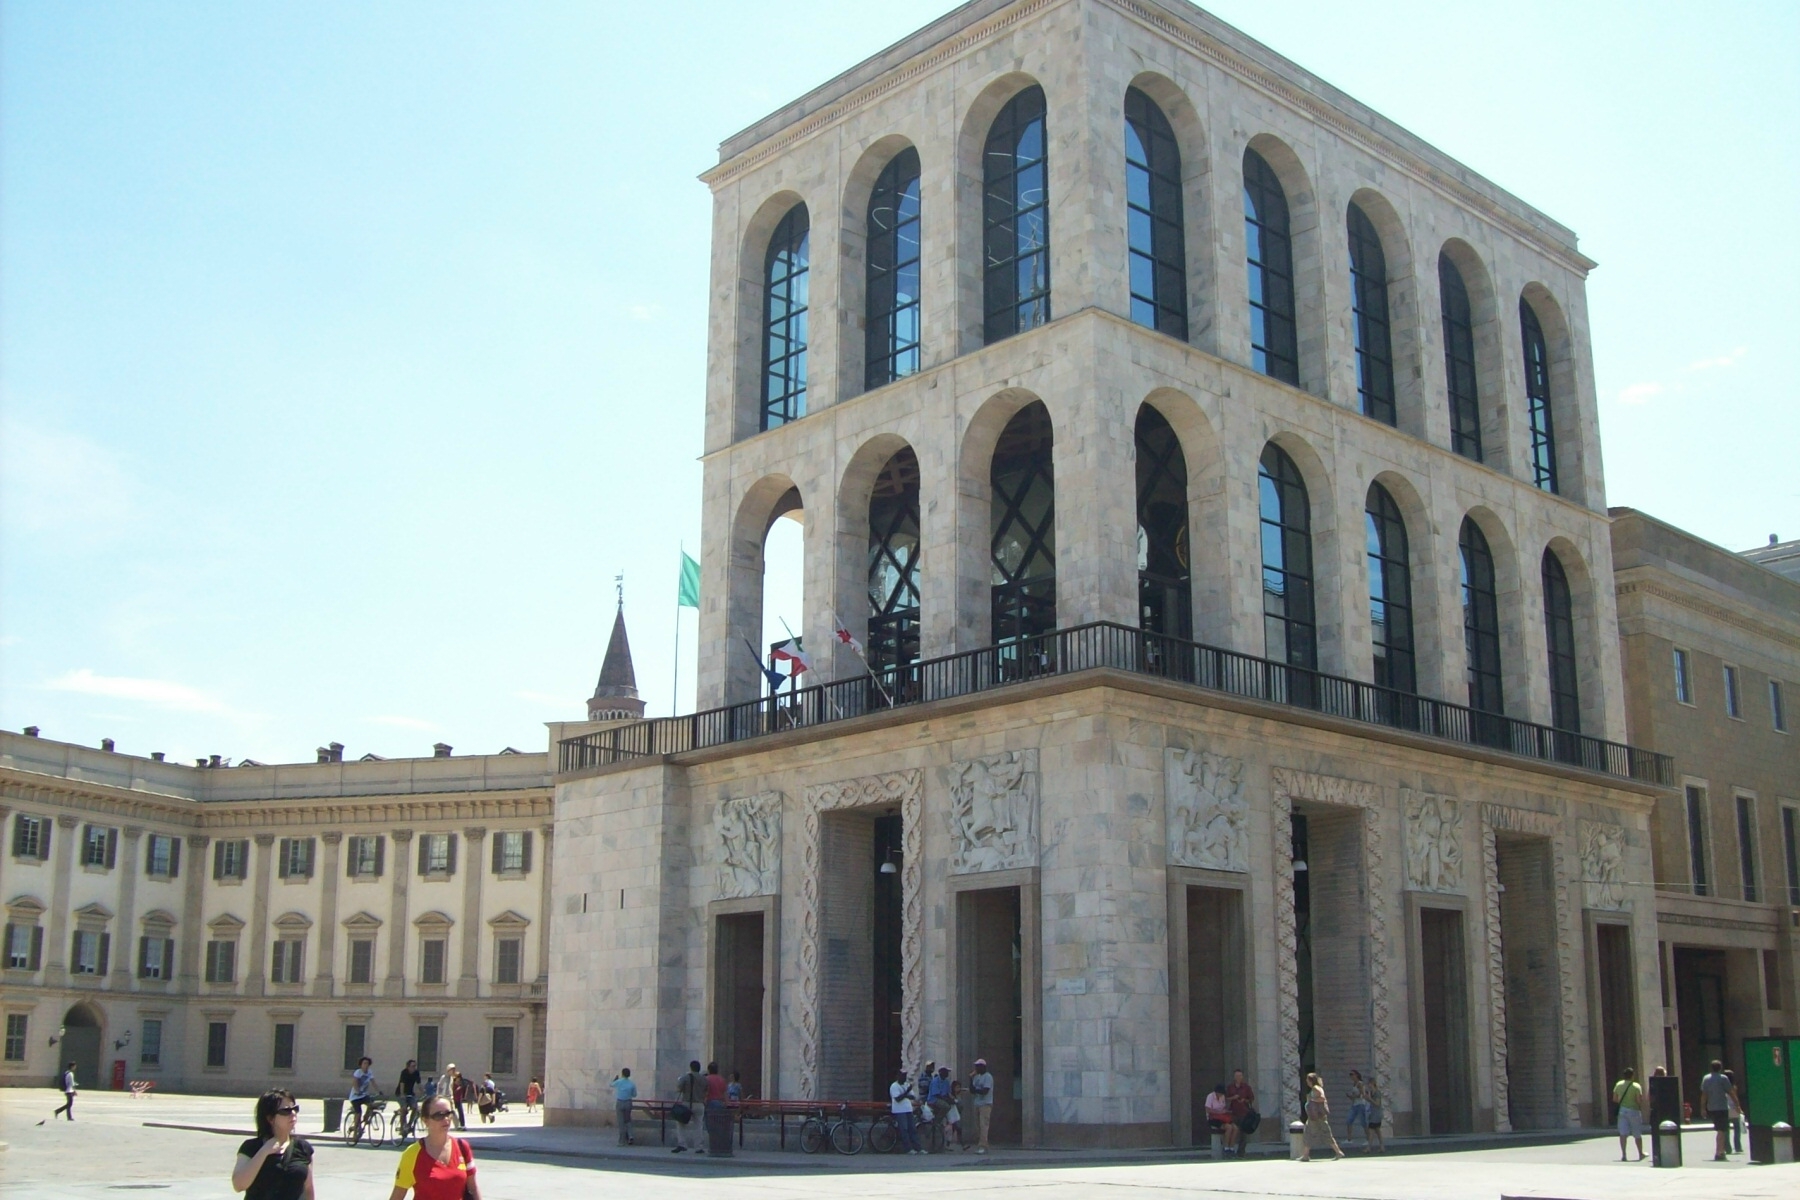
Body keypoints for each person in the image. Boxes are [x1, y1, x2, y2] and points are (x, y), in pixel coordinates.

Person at [390, 1094, 481, 1200]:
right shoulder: (412, 1154)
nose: (446, 1119)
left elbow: (473, 1189)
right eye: (439, 1115)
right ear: (425, 1121)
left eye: (449, 1114)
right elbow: (397, 1196)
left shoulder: (462, 1147)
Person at [232, 1089, 315, 1200]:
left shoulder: (303, 1148)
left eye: (295, 1109)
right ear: (270, 1118)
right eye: (286, 1111)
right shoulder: (251, 1147)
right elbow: (239, 1185)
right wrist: (264, 1151)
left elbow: (308, 1189)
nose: (293, 1114)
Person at [1300, 1072, 1343, 1162]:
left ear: (1311, 1080)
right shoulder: (1315, 1088)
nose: (1306, 1082)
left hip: (1318, 1116)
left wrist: (1312, 1100)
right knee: (1308, 1132)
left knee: (1325, 1133)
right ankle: (1305, 1155)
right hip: (1313, 1116)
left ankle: (1338, 1152)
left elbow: (1322, 1098)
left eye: (1307, 1080)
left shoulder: (1316, 1088)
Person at [1611, 1067, 1646, 1162]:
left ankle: (1624, 1154)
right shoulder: (1636, 1086)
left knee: (1623, 1133)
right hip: (1634, 1110)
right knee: (1637, 1133)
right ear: (1632, 1075)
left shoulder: (1618, 1085)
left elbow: (1614, 1099)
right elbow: (1639, 1100)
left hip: (1622, 1110)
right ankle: (1640, 1153)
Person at [1700, 1059, 1732, 1160]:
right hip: (1722, 1107)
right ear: (1720, 1068)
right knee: (1721, 1130)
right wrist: (1737, 1104)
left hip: (1711, 1107)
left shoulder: (1706, 1078)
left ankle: (1722, 1150)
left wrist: (1703, 1108)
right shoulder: (1723, 1078)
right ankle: (1720, 1152)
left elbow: (1704, 1095)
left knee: (1720, 1129)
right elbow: (1731, 1092)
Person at [671, 1060, 705, 1154]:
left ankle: (682, 1144)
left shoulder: (686, 1077)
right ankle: (698, 1147)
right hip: (699, 1103)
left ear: (691, 1067)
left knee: (681, 1125)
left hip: (687, 1103)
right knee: (698, 1126)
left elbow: (679, 1088)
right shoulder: (704, 1079)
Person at [1224, 1068, 1256, 1158]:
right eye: (1236, 1076)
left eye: (1240, 1076)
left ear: (1242, 1077)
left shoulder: (1246, 1087)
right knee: (1232, 1131)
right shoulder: (1230, 1087)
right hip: (1233, 1113)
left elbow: (1251, 1098)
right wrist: (1233, 1098)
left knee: (1243, 1134)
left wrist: (1244, 1100)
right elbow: (1226, 1098)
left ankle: (1241, 1153)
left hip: (1244, 1113)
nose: (1238, 1077)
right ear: (1234, 1077)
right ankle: (1230, 1150)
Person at [890, 1069, 922, 1155]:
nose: (904, 1078)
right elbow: (897, 1099)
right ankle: (908, 1149)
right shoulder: (894, 1086)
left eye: (905, 1076)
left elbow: (912, 1097)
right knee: (904, 1129)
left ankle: (918, 1148)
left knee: (912, 1129)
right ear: (898, 1076)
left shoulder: (906, 1085)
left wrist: (906, 1094)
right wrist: (906, 1092)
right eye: (902, 1076)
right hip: (899, 1111)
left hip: (908, 1109)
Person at [969, 1058, 995, 1155]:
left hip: (985, 1104)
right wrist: (970, 1078)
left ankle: (982, 1146)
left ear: (983, 1067)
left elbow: (985, 1091)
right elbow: (972, 1090)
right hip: (978, 1103)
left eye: (978, 1066)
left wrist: (976, 1090)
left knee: (983, 1125)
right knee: (978, 1126)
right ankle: (983, 1144)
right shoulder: (977, 1077)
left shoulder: (988, 1077)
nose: (976, 1068)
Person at [704, 1061, 728, 1150]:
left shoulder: (706, 1079)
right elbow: (725, 1093)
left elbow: (706, 1093)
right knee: (719, 1124)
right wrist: (727, 1104)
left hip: (710, 1103)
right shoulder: (722, 1079)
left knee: (710, 1125)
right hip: (720, 1103)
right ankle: (719, 1143)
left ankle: (712, 1143)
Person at [610, 1068, 637, 1146]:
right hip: (628, 1102)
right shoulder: (632, 1084)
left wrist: (614, 1079)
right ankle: (630, 1136)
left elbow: (611, 1084)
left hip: (620, 1102)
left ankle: (622, 1141)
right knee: (628, 1120)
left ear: (622, 1074)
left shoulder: (619, 1082)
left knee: (621, 1122)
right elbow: (634, 1095)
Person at [1344, 1070, 1371, 1148]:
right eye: (1350, 1075)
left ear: (1357, 1075)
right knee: (1349, 1120)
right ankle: (1349, 1139)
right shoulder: (1354, 1085)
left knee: (1363, 1122)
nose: (1351, 1076)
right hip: (1355, 1104)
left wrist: (1354, 1096)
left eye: (1352, 1074)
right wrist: (1350, 1097)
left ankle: (1368, 1139)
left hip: (1360, 1104)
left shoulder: (1360, 1084)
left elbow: (1362, 1094)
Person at [349, 1057, 376, 1130]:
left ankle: (366, 1117)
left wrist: (379, 1091)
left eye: (367, 1063)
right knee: (358, 1113)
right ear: (361, 1065)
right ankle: (355, 1131)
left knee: (371, 1105)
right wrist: (357, 1091)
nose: (366, 1065)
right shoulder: (358, 1072)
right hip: (355, 1097)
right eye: (364, 1063)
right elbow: (355, 1082)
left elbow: (373, 1082)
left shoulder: (369, 1072)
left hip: (363, 1095)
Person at [396, 1059, 423, 1130]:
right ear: (408, 1067)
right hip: (401, 1093)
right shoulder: (404, 1072)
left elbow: (419, 1084)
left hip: (410, 1093)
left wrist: (423, 1093)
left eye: (415, 1066)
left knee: (415, 1108)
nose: (414, 1068)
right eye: (412, 1066)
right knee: (404, 1108)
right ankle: (402, 1126)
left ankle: (409, 1125)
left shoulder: (416, 1073)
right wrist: (402, 1094)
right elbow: (402, 1084)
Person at [1204, 1083, 1232, 1148]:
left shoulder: (1222, 1097)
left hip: (1221, 1118)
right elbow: (1208, 1110)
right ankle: (1225, 1146)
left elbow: (1223, 1107)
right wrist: (1219, 1112)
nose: (1222, 1095)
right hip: (1213, 1119)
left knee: (1234, 1128)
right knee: (1229, 1127)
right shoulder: (1210, 1096)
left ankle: (1230, 1146)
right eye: (1221, 1093)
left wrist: (1226, 1111)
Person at [1362, 1076, 1384, 1154]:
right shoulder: (1371, 1092)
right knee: (1377, 1131)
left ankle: (1369, 1148)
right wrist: (1366, 1097)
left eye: (1370, 1084)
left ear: (1373, 1084)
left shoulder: (1377, 1093)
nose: (1369, 1086)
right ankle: (1381, 1146)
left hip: (1376, 1114)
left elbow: (1377, 1104)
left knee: (1372, 1131)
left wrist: (1370, 1099)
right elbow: (1370, 1101)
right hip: (1373, 1113)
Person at [1725, 1070, 1744, 1154]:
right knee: (1737, 1129)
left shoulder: (1722, 1086)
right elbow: (1735, 1098)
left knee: (1726, 1129)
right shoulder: (1733, 1087)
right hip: (1733, 1108)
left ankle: (1727, 1148)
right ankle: (1738, 1147)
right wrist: (1738, 1107)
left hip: (1725, 1108)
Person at [446, 1066, 468, 1131]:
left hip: (458, 1099)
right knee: (450, 1112)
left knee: (460, 1112)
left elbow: (465, 1087)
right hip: (453, 1098)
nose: (457, 1078)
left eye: (458, 1077)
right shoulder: (452, 1081)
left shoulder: (462, 1083)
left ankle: (462, 1124)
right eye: (456, 1077)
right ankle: (453, 1125)